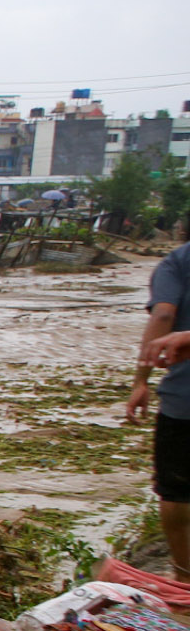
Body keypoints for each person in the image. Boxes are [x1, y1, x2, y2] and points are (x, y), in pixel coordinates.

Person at [126, 230, 190, 579]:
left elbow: (163, 316)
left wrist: (141, 381)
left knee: (176, 490)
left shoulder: (178, 262)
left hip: (184, 398)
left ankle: (184, 577)